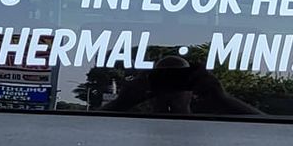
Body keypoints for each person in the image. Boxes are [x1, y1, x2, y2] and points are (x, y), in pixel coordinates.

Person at [102, 53, 261, 116]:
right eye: (163, 79)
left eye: (179, 79)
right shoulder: (218, 130)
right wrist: (223, 99)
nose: (171, 86)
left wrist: (122, 103)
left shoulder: (123, 129)